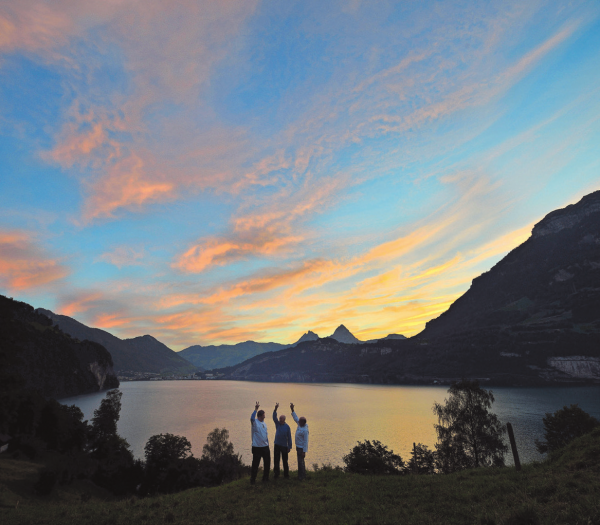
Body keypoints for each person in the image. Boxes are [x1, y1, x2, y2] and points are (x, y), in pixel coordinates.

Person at [250, 401, 270, 484]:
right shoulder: (254, 422)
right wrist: (255, 409)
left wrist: (267, 443)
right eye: (263, 415)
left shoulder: (264, 423)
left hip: (265, 447)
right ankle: (252, 480)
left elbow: (265, 435)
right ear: (260, 416)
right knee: (255, 464)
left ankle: (265, 478)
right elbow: (251, 418)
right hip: (257, 447)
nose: (265, 416)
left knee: (267, 463)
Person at [272, 402, 292, 479]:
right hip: (277, 444)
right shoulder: (277, 424)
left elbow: (289, 437)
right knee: (276, 460)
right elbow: (274, 417)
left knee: (285, 461)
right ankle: (276, 473)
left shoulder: (287, 427)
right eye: (279, 418)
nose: (280, 420)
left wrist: (289, 446)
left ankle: (286, 475)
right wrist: (275, 408)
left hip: (284, 446)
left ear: (284, 419)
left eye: (281, 419)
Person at [290, 402, 309, 480]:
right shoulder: (300, 424)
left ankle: (302, 477)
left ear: (303, 422)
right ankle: (301, 475)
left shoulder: (305, 430)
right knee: (300, 462)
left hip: (301, 448)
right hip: (298, 447)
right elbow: (296, 418)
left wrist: (304, 452)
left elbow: (306, 441)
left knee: (300, 462)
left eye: (300, 421)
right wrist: (292, 409)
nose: (298, 422)